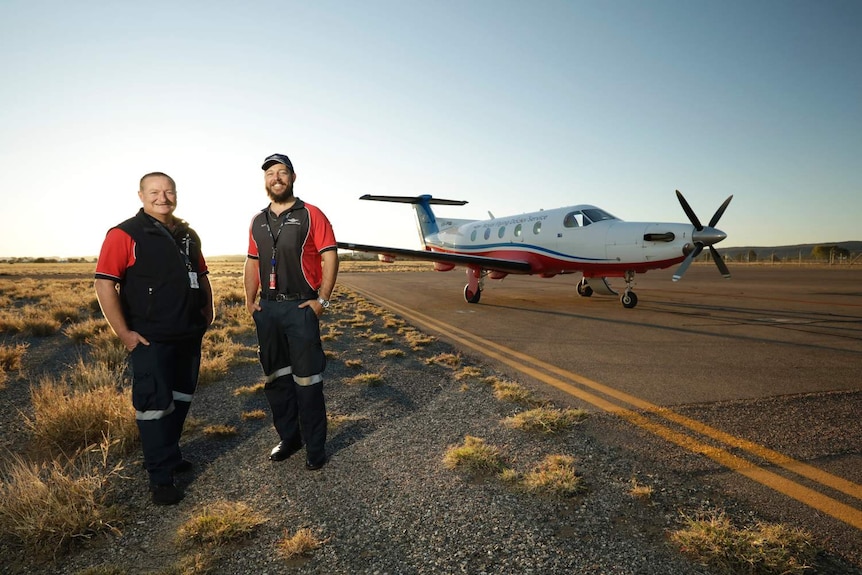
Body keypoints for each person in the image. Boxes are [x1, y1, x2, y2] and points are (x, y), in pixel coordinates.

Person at [94, 172, 214, 505]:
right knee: (154, 406)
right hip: (150, 338)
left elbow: (201, 275)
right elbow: (105, 284)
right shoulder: (124, 234)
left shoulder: (188, 234)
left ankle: (170, 454)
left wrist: (209, 311)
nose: (163, 197)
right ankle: (160, 478)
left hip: (188, 334)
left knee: (181, 399)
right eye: (155, 192)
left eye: (169, 191)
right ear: (141, 195)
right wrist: (125, 334)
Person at [244, 153, 338, 470]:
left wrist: (321, 300)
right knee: (276, 379)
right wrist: (249, 300)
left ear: (293, 178)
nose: (277, 177)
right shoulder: (257, 220)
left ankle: (315, 446)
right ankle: (290, 437)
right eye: (271, 173)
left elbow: (330, 257)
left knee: (307, 381)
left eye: (283, 172)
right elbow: (252, 262)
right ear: (265, 180)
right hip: (268, 309)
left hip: (301, 307)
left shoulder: (312, 214)